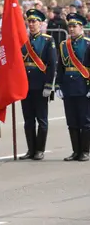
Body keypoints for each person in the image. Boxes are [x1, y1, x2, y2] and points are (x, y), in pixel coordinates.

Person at [20, 9, 57, 160]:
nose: (32, 24)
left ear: (41, 24)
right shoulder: (23, 41)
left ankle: (40, 149)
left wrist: (49, 84)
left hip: (41, 85)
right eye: (29, 21)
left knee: (41, 120)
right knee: (28, 120)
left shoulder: (48, 40)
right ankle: (31, 149)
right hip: (25, 86)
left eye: (34, 21)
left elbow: (52, 64)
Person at [55, 13, 90, 162]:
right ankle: (75, 151)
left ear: (81, 27)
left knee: (85, 121)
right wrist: (58, 85)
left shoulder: (88, 43)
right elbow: (61, 67)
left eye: (74, 26)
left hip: (83, 86)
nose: (71, 29)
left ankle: (85, 151)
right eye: (69, 26)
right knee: (72, 121)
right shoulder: (64, 45)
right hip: (68, 88)